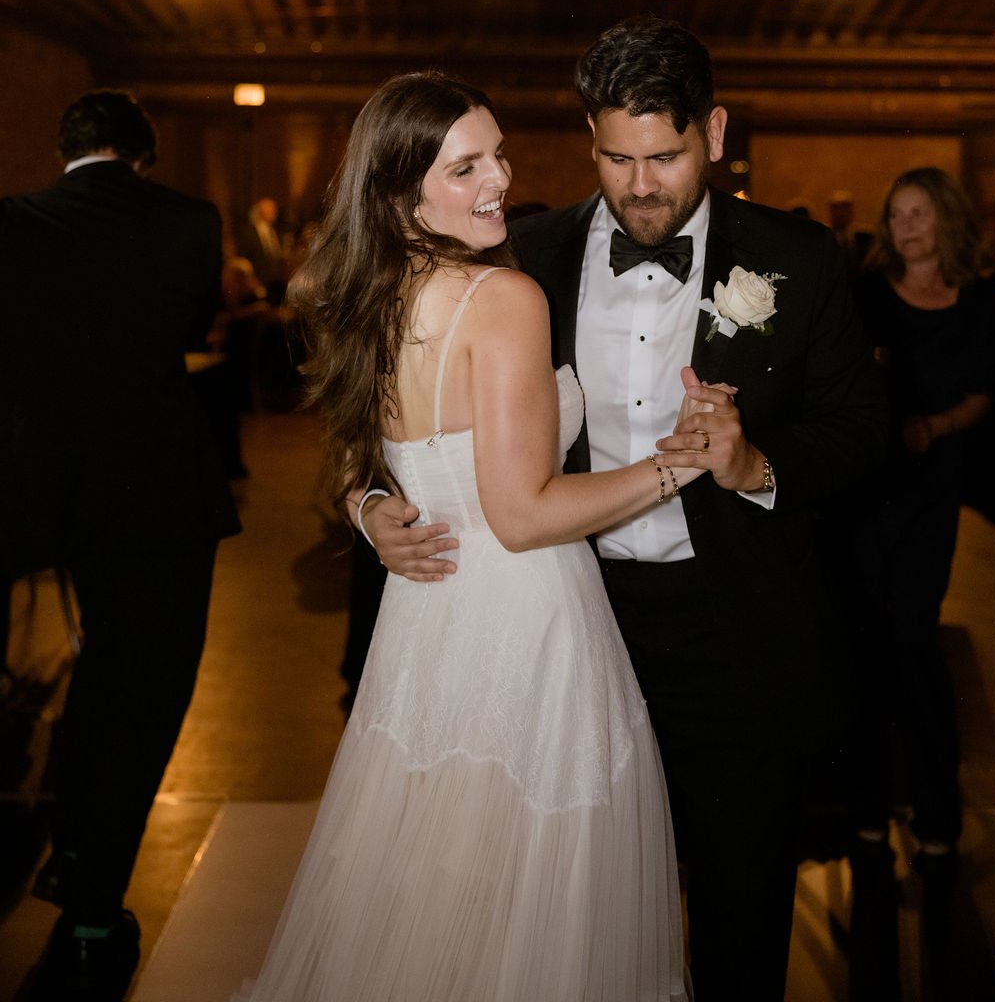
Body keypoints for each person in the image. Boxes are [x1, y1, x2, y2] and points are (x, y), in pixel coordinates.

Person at [368, 18, 886, 1002]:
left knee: (739, 901)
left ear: (716, 133)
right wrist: (370, 502)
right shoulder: (517, 254)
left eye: (664, 156)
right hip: (565, 623)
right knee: (566, 907)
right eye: (615, 157)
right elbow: (408, 407)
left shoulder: (797, 256)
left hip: (736, 632)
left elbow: (860, 429)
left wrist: (750, 462)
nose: (639, 184)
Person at [236, 72, 702, 1002]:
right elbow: (522, 515)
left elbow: (353, 461)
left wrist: (372, 511)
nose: (499, 178)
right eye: (467, 166)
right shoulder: (500, 298)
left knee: (437, 876)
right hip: (528, 626)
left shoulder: (366, 290)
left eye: (498, 153)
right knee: (533, 893)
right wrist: (677, 464)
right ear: (404, 192)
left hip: (425, 624)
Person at [0, 89, 241, 1002]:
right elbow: (187, 333)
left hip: (35, 492)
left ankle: (69, 854)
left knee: (84, 682)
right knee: (141, 691)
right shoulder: (187, 221)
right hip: (153, 492)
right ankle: (94, 905)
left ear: (67, 151)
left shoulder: (14, 222)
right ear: (143, 155)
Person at [849, 167, 995, 868]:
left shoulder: (978, 302)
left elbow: (991, 390)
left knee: (912, 639)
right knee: (864, 646)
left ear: (943, 219)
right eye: (896, 216)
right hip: (867, 494)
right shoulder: (865, 298)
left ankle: (936, 813)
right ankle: (865, 809)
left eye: (918, 214)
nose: (905, 227)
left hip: (933, 490)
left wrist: (934, 426)